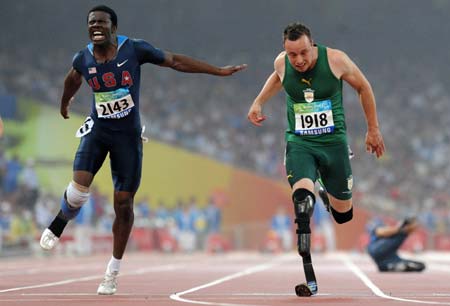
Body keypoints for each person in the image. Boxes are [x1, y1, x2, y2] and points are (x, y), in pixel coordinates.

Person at [39, 5, 246, 295]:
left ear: (113, 27)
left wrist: (218, 71)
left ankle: (112, 271)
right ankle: (60, 221)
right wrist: (64, 103)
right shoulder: (83, 57)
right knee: (77, 192)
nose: (96, 26)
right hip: (98, 131)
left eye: (102, 22)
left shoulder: (133, 49)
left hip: (128, 138)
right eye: (91, 22)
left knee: (123, 205)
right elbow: (72, 79)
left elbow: (174, 61)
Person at [247, 22, 385, 296]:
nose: (297, 60)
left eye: (302, 53)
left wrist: (373, 129)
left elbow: (364, 87)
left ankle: (323, 188)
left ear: (313, 46)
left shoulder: (335, 59)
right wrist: (258, 101)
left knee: (343, 216)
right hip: (301, 143)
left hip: (334, 145)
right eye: (291, 54)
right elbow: (278, 75)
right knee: (301, 202)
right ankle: (309, 271)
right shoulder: (282, 62)